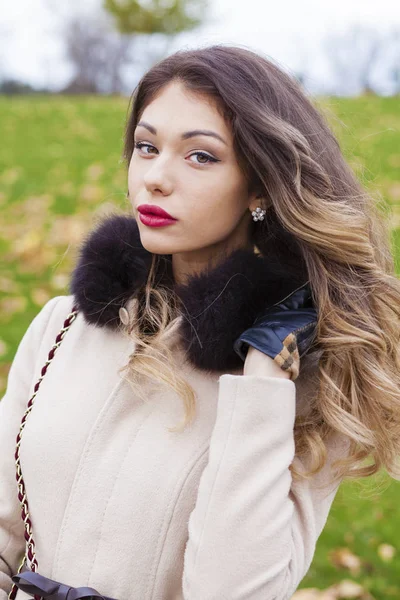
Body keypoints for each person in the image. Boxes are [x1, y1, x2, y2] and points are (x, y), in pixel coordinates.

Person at [1, 45, 400, 600]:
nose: (155, 179)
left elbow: (233, 590)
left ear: (260, 185)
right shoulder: (62, 327)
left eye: (201, 156)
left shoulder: (311, 384)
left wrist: (263, 382)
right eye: (146, 147)